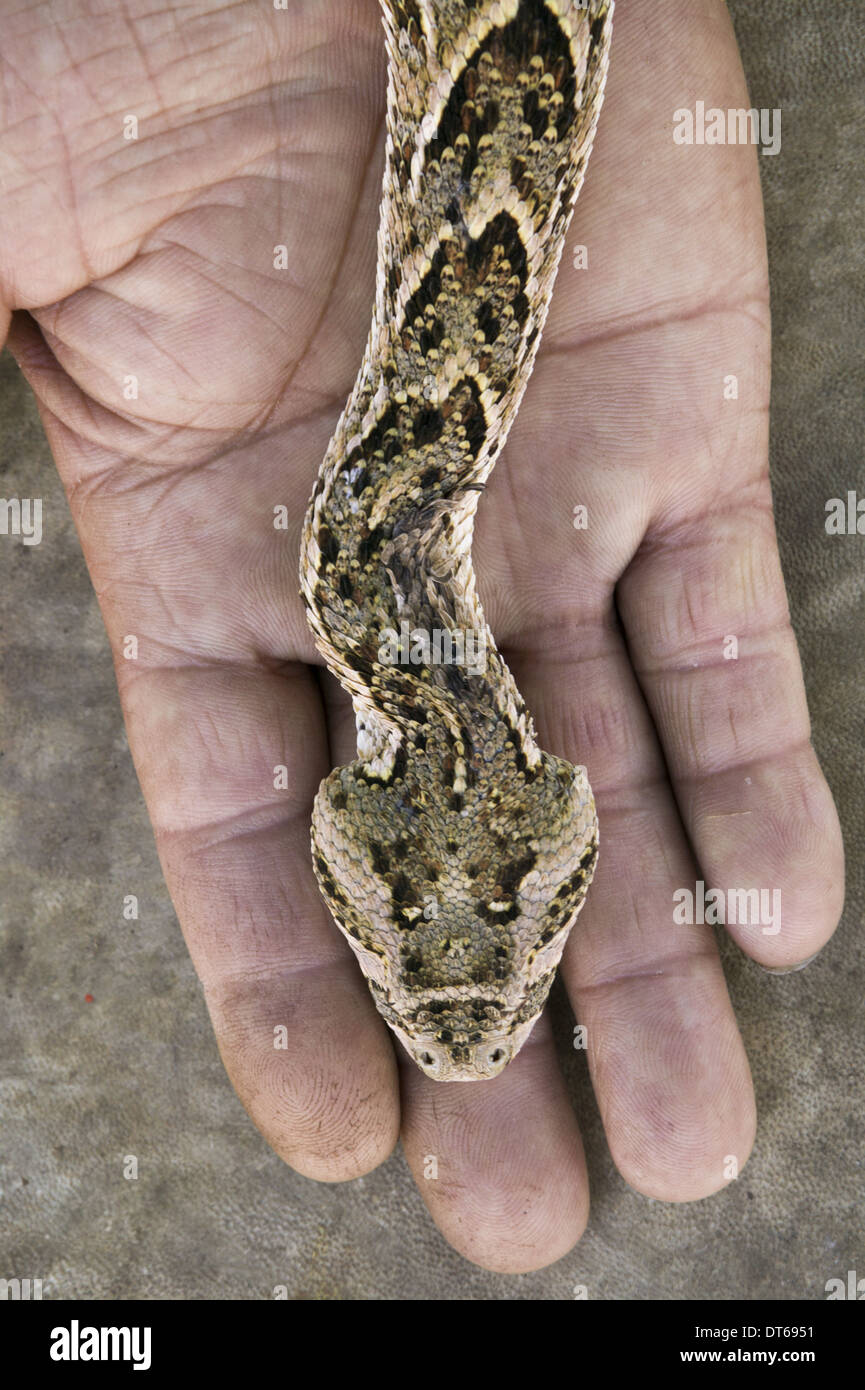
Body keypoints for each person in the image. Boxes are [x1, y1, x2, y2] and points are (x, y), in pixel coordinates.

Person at [0, 0, 843, 1273]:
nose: (459, 1030)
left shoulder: (380, 579)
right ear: (552, 801)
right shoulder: (353, 584)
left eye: (407, 973)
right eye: (515, 947)